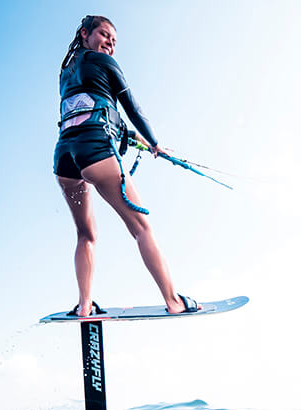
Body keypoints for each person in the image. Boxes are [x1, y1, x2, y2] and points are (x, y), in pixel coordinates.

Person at [53, 15, 198, 317]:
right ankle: (173, 301)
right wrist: (155, 143)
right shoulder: (103, 63)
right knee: (142, 229)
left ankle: (84, 306)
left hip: (66, 159)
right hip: (96, 153)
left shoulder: (65, 73)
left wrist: (131, 138)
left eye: (114, 41)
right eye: (104, 35)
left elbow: (90, 111)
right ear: (84, 34)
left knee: (85, 234)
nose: (110, 44)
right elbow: (131, 107)